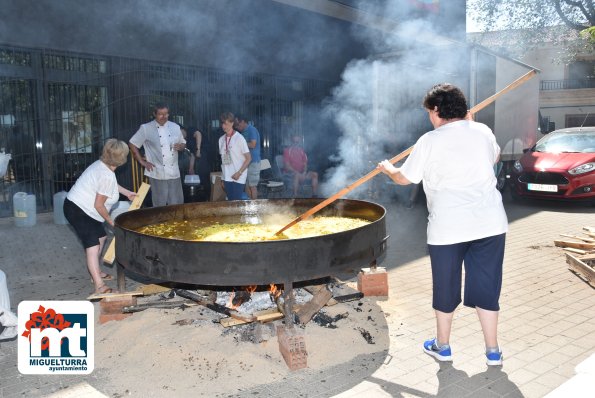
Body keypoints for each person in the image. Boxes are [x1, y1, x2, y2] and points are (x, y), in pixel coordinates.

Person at [377, 83, 508, 366]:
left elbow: (405, 178)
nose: (429, 117)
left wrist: (388, 170)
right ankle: (493, 351)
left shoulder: (430, 140)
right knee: (487, 287)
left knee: (446, 286)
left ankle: (443, 346)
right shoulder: (483, 131)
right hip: (490, 224)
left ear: (437, 110)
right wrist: (473, 125)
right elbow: (494, 156)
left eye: (429, 112)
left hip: (448, 228)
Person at [63, 139, 136, 294]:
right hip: (79, 210)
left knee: (101, 238)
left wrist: (127, 193)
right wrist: (111, 222)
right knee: (93, 245)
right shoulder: (105, 175)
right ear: (121, 159)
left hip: (86, 210)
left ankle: (94, 271)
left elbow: (110, 185)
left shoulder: (103, 165)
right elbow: (99, 205)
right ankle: (99, 285)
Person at [128, 103, 186, 206]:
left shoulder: (175, 127)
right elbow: (132, 143)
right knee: (160, 206)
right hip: (157, 172)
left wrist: (180, 147)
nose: (164, 117)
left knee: (177, 205)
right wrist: (142, 162)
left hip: (174, 173)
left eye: (166, 114)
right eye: (160, 114)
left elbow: (183, 142)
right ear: (154, 114)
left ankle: (176, 222)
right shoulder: (146, 128)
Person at [218, 112, 251, 201]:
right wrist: (223, 177)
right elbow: (224, 160)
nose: (223, 126)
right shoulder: (221, 140)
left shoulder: (239, 138)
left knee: (235, 202)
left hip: (238, 176)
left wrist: (239, 173)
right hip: (227, 177)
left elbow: (248, 159)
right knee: (230, 202)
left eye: (225, 123)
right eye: (222, 123)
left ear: (232, 123)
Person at [234, 115, 261, 199]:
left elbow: (253, 144)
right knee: (246, 186)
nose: (237, 127)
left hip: (253, 162)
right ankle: (250, 206)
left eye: (238, 124)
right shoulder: (242, 132)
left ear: (243, 121)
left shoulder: (251, 129)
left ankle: (255, 207)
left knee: (252, 186)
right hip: (245, 163)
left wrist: (240, 144)